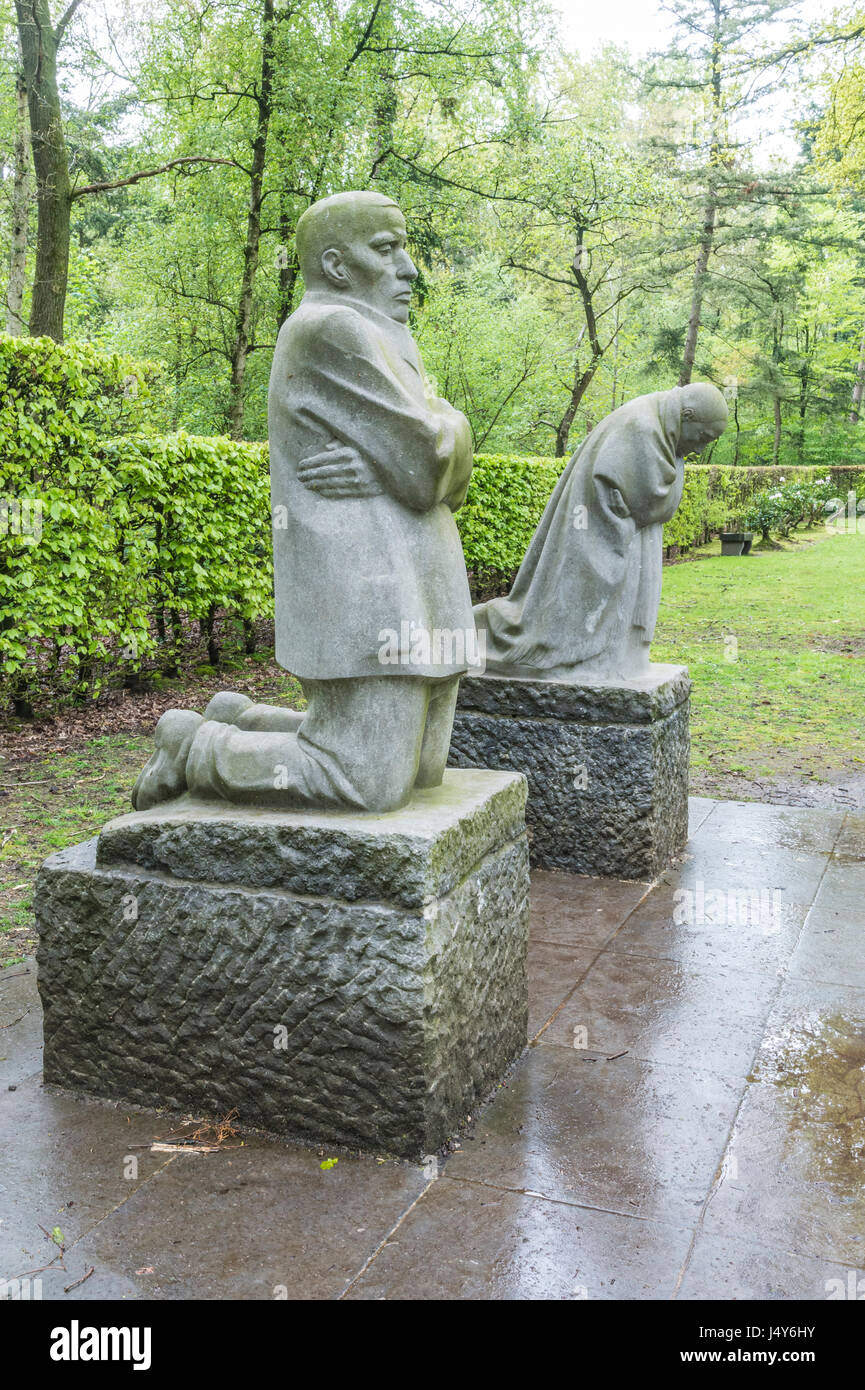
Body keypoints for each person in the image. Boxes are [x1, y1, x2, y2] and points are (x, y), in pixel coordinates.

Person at [132, 191, 476, 813]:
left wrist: (418, 447)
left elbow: (428, 461)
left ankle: (240, 717)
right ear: (339, 266)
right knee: (369, 780)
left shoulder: (386, 332)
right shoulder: (331, 328)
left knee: (420, 770)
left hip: (420, 582)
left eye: (406, 247)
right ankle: (194, 746)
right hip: (370, 589)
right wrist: (423, 445)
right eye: (388, 248)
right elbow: (427, 464)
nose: (409, 268)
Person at [472, 383, 729, 682]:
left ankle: (613, 661)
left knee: (585, 615)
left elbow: (653, 503)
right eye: (703, 437)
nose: (699, 448)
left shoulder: (657, 423)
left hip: (613, 534)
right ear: (686, 415)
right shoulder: (643, 428)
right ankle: (582, 661)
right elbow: (651, 503)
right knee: (561, 621)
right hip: (595, 537)